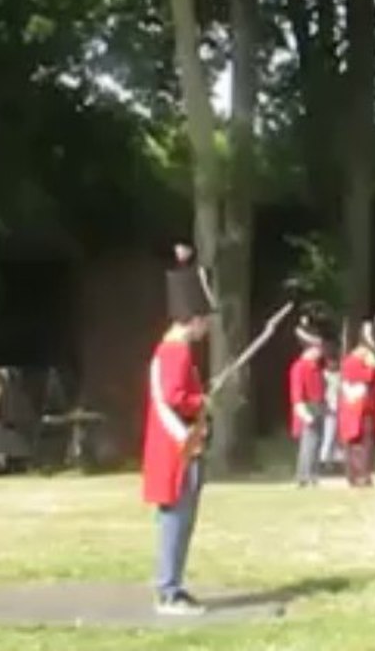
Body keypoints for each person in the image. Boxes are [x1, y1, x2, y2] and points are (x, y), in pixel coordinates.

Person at [143, 259, 212, 616]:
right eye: (205, 318)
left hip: (178, 445)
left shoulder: (173, 349)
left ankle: (173, 585)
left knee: (180, 519)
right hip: (177, 447)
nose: (208, 325)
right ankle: (168, 590)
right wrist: (202, 400)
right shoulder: (176, 350)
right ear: (194, 318)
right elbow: (174, 397)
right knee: (176, 519)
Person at [339, 315, 375, 487]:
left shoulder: (356, 360)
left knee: (365, 443)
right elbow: (363, 378)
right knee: (359, 444)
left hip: (364, 407)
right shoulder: (353, 361)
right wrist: (372, 367)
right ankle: (359, 475)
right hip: (357, 407)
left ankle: (362, 474)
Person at [288, 317, 326, 488]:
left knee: (317, 443)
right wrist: (304, 413)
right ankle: (303, 476)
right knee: (307, 445)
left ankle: (314, 474)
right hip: (307, 408)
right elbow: (297, 394)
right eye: (318, 348)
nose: (321, 351)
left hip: (318, 406)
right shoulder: (299, 367)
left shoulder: (316, 367)